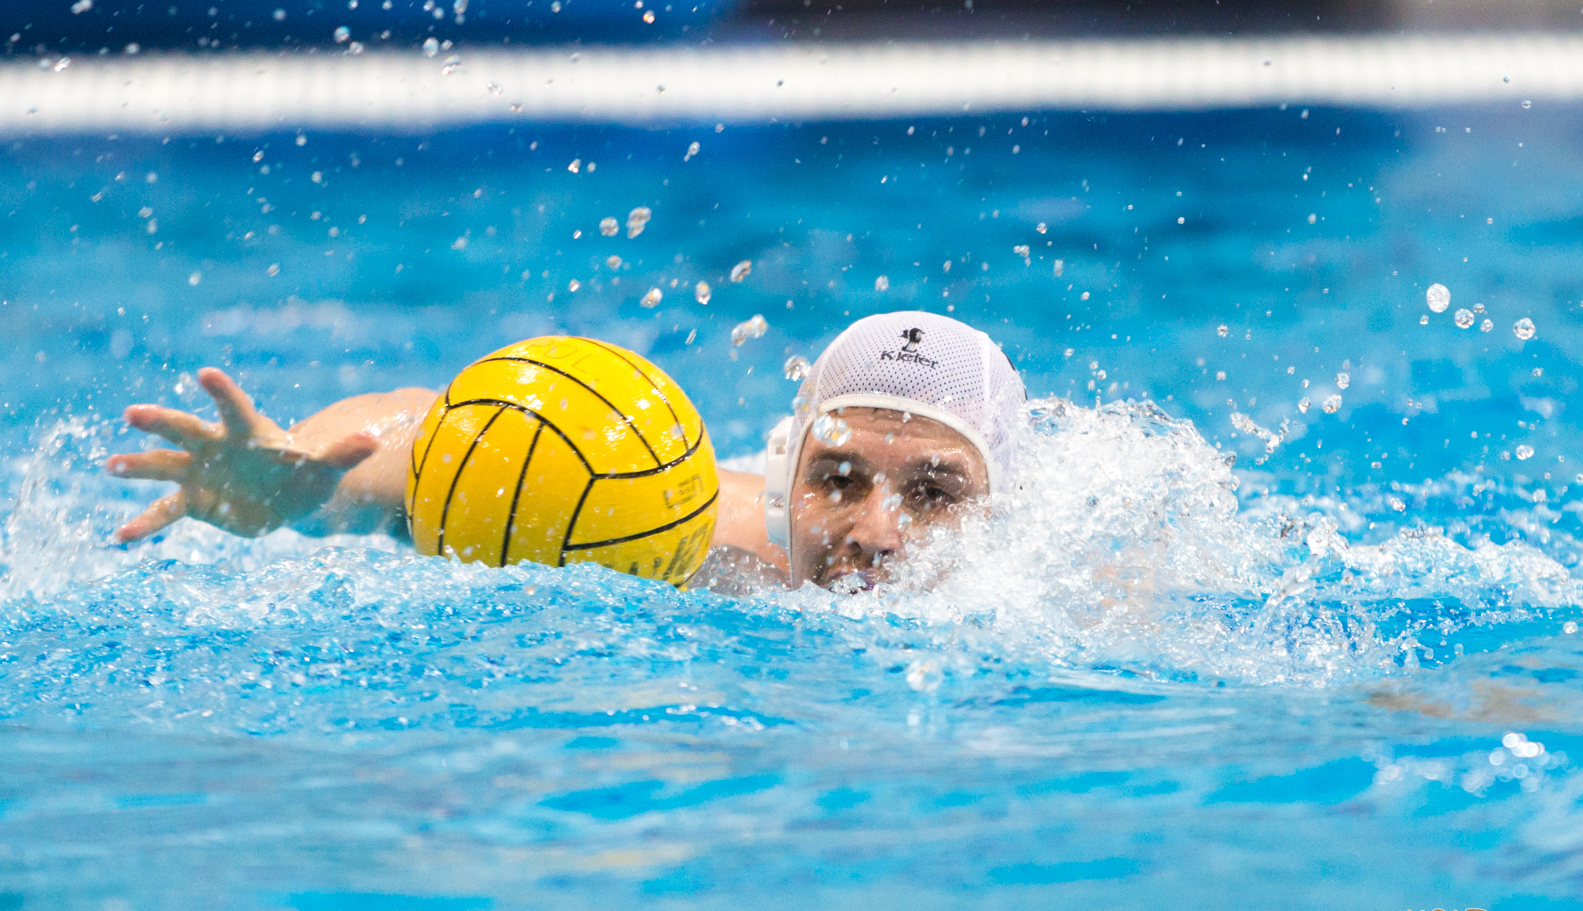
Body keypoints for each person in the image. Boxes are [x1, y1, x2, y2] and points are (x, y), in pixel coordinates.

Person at [108, 311, 1026, 590]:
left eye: (936, 492)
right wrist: (299, 487)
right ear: (787, 477)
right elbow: (429, 432)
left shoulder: (1067, 613)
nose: (878, 532)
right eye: (839, 476)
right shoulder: (685, 533)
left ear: (1003, 514)